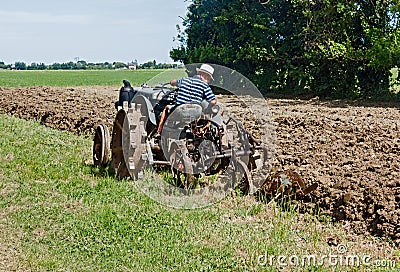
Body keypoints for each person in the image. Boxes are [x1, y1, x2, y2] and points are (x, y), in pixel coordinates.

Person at [156, 64, 217, 137]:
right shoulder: (205, 86)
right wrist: (215, 99)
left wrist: (172, 82)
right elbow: (212, 101)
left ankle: (159, 132)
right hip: (195, 112)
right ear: (204, 75)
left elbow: (173, 82)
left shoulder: (184, 80)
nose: (209, 81)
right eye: (209, 79)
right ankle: (195, 132)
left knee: (166, 108)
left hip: (180, 111)